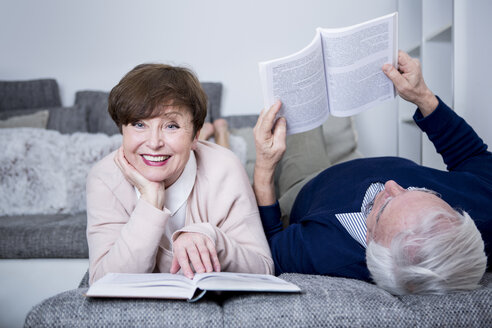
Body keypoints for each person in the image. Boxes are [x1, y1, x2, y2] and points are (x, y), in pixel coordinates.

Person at [253, 51, 491, 295]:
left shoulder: (323, 253)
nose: (390, 184)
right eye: (422, 191)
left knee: (294, 111)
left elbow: (268, 249)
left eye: (384, 207)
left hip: (309, 187)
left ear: (370, 243)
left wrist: (264, 169)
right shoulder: (484, 210)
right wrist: (422, 96)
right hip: (359, 166)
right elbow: (472, 157)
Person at [86, 63, 273, 285]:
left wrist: (209, 237)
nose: (154, 143)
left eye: (171, 126)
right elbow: (104, 282)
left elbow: (263, 268)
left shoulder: (225, 167)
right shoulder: (104, 178)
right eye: (139, 124)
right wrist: (150, 202)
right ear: (122, 130)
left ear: (196, 135)